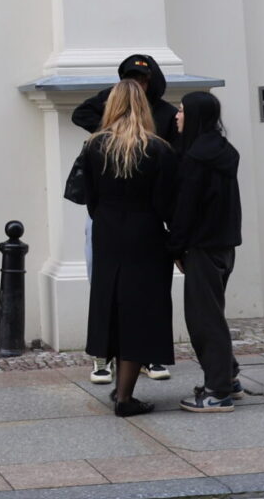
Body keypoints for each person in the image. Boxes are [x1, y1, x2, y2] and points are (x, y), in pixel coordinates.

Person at [73, 54, 178, 384]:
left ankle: (142, 359)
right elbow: (165, 199)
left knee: (132, 295)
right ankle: (105, 359)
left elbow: (93, 198)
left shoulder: (101, 146)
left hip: (118, 224)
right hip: (135, 225)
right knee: (117, 292)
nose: (139, 84)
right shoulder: (106, 145)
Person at [170, 90, 244, 413]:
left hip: (202, 247)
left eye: (183, 110)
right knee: (212, 313)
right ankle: (227, 375)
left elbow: (186, 210)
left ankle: (217, 391)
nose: (177, 116)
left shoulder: (195, 159)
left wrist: (174, 247)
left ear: (196, 116)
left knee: (203, 319)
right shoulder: (223, 151)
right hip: (225, 246)